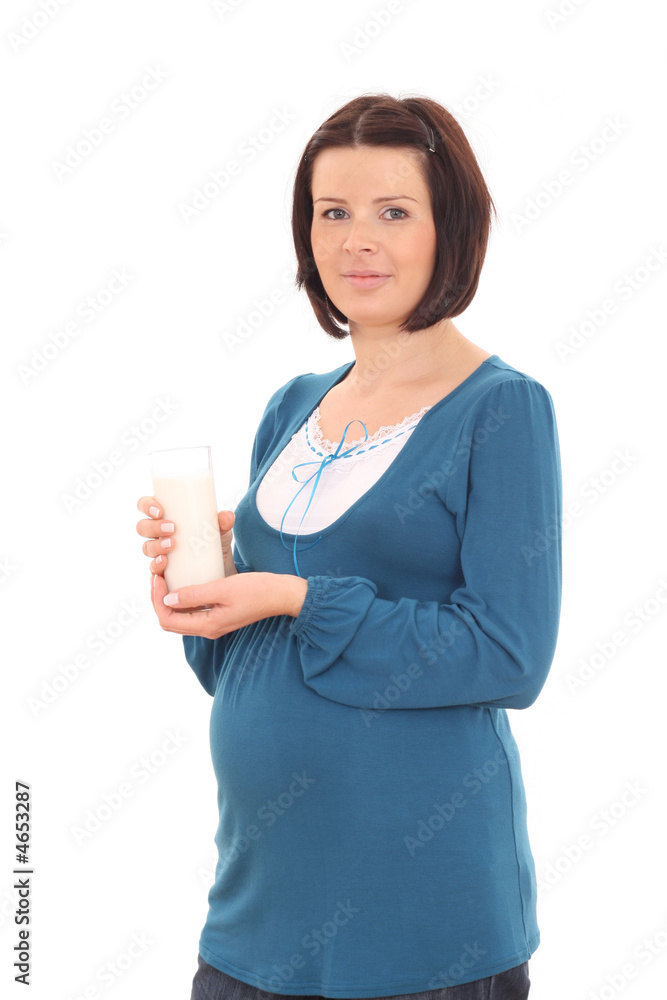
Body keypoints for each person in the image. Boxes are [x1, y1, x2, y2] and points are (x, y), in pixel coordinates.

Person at [136, 93, 561, 1000]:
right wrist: (201, 590)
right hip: (254, 920)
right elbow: (240, 668)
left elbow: (510, 653)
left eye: (392, 212)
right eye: (332, 213)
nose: (355, 241)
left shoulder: (500, 409)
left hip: (422, 935)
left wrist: (294, 596)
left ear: (451, 229)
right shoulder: (293, 405)